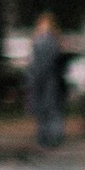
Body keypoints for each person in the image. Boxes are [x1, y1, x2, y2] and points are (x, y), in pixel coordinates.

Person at [25, 10, 68, 149]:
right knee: (47, 109)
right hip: (47, 80)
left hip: (46, 80)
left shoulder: (46, 40)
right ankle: (48, 136)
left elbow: (42, 63)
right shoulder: (51, 39)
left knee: (48, 109)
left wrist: (34, 76)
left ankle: (49, 137)